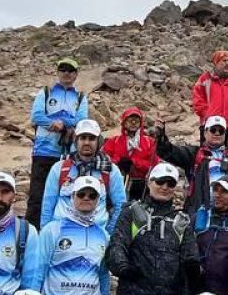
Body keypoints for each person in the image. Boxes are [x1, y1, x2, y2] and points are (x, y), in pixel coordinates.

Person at [106, 162, 201, 295]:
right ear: (149, 182)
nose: (165, 187)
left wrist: (193, 270)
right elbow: (117, 245)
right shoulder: (131, 212)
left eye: (170, 183)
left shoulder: (181, 219)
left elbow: (190, 253)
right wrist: (124, 269)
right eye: (160, 181)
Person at [36, 175, 112, 295]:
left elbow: (103, 276)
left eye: (92, 195)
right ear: (72, 197)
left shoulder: (104, 236)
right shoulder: (52, 230)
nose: (86, 198)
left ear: (99, 201)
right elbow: (37, 272)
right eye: (81, 194)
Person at [27, 58, 90, 226]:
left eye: (70, 70)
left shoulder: (80, 96)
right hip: (43, 152)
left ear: (76, 74)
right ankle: (32, 231)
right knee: (37, 194)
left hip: (68, 154)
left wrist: (61, 123)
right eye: (63, 69)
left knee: (64, 193)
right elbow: (36, 116)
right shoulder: (46, 92)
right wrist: (53, 123)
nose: (66, 73)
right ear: (57, 72)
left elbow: (82, 119)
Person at [41, 119, 126, 233]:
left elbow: (120, 206)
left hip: (96, 236)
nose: (87, 142)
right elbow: (47, 205)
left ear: (99, 141)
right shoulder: (60, 168)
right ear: (76, 141)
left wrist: (109, 235)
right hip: (61, 235)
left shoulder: (110, 170)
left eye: (91, 138)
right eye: (83, 138)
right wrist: (45, 233)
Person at [155, 115, 228, 215]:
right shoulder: (194, 154)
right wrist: (161, 137)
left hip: (227, 213)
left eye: (221, 131)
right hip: (198, 211)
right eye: (213, 130)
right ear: (205, 132)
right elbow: (168, 152)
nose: (217, 133)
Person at [192, 49, 228, 152]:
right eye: (224, 61)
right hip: (210, 127)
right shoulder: (205, 80)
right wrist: (208, 116)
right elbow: (197, 101)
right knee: (207, 156)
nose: (227, 63)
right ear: (216, 63)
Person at [102, 107, 158, 202]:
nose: (133, 123)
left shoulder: (149, 142)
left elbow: (154, 165)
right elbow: (103, 161)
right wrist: (117, 162)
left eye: (136, 120)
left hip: (141, 187)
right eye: (130, 120)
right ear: (124, 122)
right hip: (117, 184)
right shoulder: (113, 141)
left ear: (141, 123)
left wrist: (134, 162)